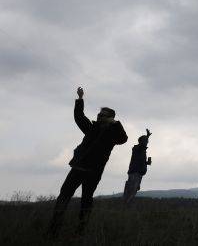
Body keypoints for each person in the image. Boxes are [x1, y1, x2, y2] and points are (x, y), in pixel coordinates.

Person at [47, 87, 128, 238]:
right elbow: (79, 117)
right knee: (63, 197)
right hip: (78, 168)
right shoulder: (92, 128)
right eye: (99, 114)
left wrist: (115, 123)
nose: (99, 117)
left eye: (103, 115)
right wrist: (80, 99)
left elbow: (123, 139)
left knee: (86, 201)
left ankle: (80, 231)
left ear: (110, 118)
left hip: (94, 172)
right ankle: (53, 230)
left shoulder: (112, 134)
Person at [123, 128, 152, 204]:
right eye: (146, 141)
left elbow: (139, 161)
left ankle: (126, 206)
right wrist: (147, 136)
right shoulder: (137, 148)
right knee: (131, 191)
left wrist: (146, 163)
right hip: (135, 173)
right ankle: (125, 206)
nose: (147, 143)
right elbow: (141, 145)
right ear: (142, 141)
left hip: (138, 174)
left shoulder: (141, 150)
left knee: (134, 190)